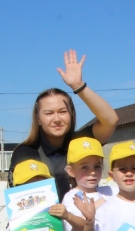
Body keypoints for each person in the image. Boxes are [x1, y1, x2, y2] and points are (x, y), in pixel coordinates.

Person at [8, 50, 119, 202]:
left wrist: (78, 86)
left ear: (71, 114)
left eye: (62, 111)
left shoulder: (82, 141)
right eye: (49, 113)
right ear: (38, 118)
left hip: (85, 223)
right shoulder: (25, 152)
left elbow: (110, 120)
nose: (57, 119)